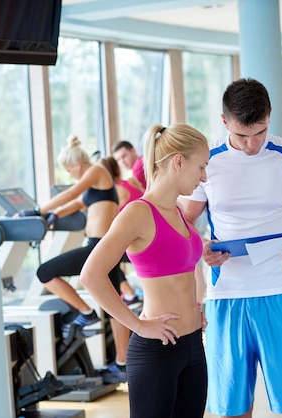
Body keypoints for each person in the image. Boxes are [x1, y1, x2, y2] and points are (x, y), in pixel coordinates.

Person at [182, 78, 282, 418]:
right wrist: (201, 248)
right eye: (242, 135)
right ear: (224, 121)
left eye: (260, 131)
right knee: (232, 410)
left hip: (281, 290)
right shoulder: (205, 161)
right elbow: (182, 224)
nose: (252, 144)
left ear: (269, 116)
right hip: (226, 296)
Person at [80, 123, 210, 418]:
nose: (204, 176)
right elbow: (91, 274)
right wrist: (137, 325)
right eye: (201, 166)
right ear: (179, 161)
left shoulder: (177, 211)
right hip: (157, 349)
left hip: (192, 345)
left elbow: (179, 267)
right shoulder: (138, 212)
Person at [33, 134, 131, 380]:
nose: (70, 175)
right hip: (103, 247)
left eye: (68, 170)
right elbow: (78, 203)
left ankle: (85, 312)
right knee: (115, 306)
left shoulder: (96, 171)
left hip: (97, 248)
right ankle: (122, 364)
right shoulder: (97, 182)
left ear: (77, 165)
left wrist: (38, 211)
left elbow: (72, 192)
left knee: (44, 273)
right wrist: (54, 215)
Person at [99, 156, 144, 305]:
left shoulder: (113, 193)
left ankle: (129, 294)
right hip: (147, 231)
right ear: (118, 169)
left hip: (132, 242)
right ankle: (129, 293)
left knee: (105, 257)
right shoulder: (132, 182)